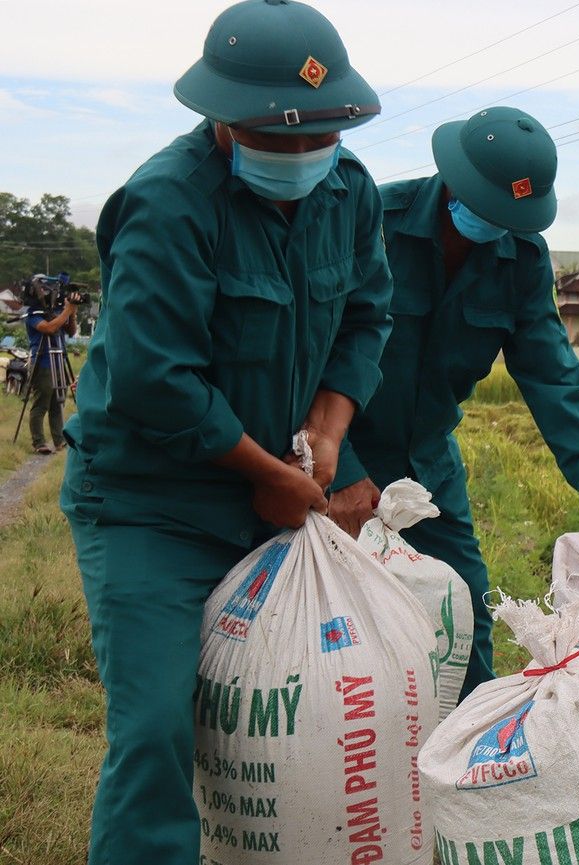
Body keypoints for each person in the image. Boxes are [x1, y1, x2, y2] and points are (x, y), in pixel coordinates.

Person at [59, 2, 392, 862]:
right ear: (223, 121)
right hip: (151, 502)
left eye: (317, 136)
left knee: (314, 703)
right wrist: (264, 473)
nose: (300, 158)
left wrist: (330, 424)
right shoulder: (169, 205)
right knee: (160, 726)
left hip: (270, 491)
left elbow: (366, 315)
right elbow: (151, 377)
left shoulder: (346, 191)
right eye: (276, 140)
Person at [329, 106, 579, 698]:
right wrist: (342, 471)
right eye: (489, 210)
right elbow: (309, 351)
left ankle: (469, 769)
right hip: (337, 448)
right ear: (454, 180)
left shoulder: (523, 259)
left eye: (510, 218)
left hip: (428, 460)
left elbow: (551, 374)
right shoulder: (372, 222)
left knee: (465, 611)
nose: (496, 227)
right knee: (337, 620)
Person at [24, 274, 78, 454]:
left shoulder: (58, 312)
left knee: (57, 403)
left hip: (58, 360)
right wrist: (66, 312)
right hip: (42, 362)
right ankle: (39, 442)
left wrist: (73, 311)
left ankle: (59, 440)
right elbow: (49, 328)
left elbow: (70, 331)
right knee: (42, 403)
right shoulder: (33, 314)